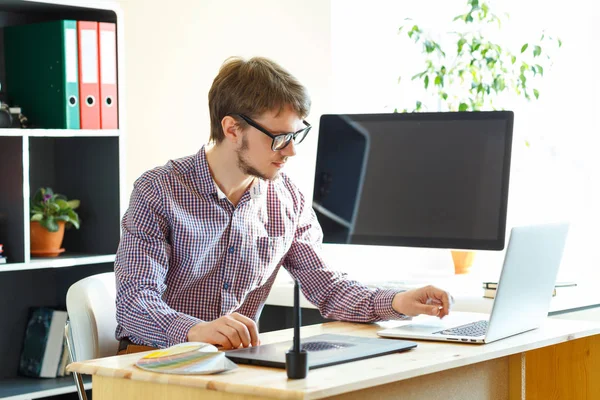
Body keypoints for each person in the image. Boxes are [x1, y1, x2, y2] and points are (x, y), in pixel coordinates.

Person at [114, 56, 453, 354]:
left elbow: (328, 288)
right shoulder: (158, 191)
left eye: (296, 135)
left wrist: (397, 302)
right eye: (279, 138)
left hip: (233, 366)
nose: (290, 151)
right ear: (232, 129)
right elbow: (134, 303)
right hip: (155, 363)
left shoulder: (287, 198)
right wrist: (194, 331)